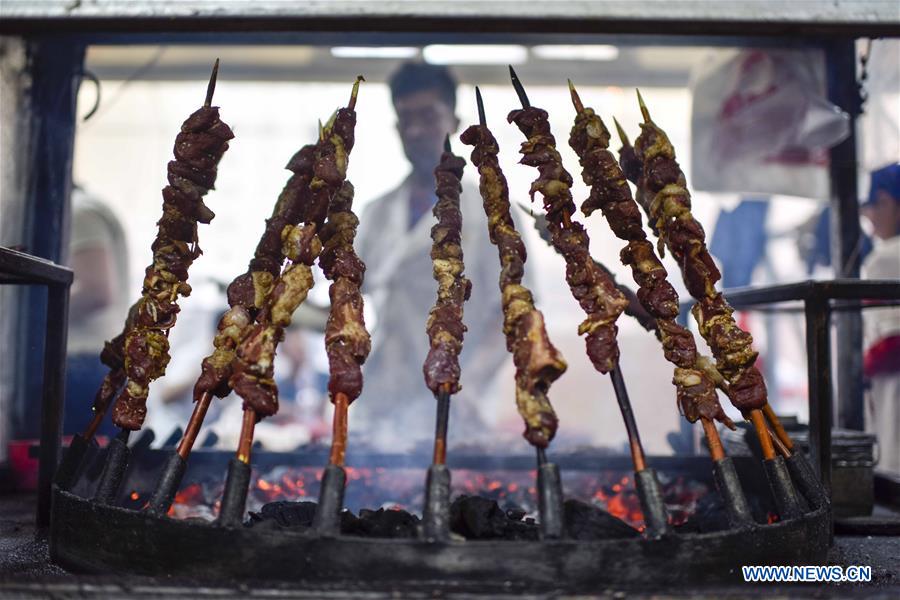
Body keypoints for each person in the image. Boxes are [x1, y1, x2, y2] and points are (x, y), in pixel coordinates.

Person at [352, 62, 522, 450]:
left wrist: (471, 382)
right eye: (405, 120)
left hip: (459, 399)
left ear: (454, 121)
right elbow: (347, 295)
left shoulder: (489, 212)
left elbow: (514, 310)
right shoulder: (377, 212)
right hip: (382, 398)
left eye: (428, 117)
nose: (415, 131)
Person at [65, 186, 130, 436]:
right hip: (96, 365)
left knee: (80, 470)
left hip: (84, 367)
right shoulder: (86, 208)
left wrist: (33, 318)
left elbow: (96, 290)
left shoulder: (80, 211)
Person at [860, 163, 900, 474]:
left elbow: (891, 342)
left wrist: (861, 366)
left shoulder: (885, 258)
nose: (869, 215)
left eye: (874, 205)